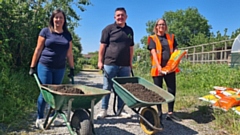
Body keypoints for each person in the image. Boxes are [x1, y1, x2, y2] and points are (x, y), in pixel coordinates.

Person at [29, 9, 74, 128]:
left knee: (56, 93)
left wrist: (72, 68)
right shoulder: (45, 31)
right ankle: (39, 118)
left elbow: (69, 53)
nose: (58, 20)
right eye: (56, 17)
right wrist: (32, 66)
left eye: (61, 18)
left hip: (60, 67)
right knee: (45, 93)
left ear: (64, 20)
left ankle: (52, 117)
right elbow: (38, 49)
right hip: (45, 66)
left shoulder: (67, 35)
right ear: (52, 19)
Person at [97, 7, 134, 119]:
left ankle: (120, 110)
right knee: (107, 87)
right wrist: (100, 61)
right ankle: (104, 110)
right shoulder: (108, 29)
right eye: (118, 15)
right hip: (110, 64)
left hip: (125, 66)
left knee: (123, 89)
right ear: (114, 17)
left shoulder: (129, 30)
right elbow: (102, 46)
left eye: (122, 15)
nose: (120, 17)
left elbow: (131, 47)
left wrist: (130, 62)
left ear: (126, 17)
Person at [147, 18, 182, 122]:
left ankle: (170, 113)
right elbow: (153, 53)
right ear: (156, 26)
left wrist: (179, 54)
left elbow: (175, 49)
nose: (161, 26)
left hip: (170, 68)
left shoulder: (171, 37)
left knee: (171, 89)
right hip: (158, 69)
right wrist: (159, 67)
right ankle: (159, 112)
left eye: (163, 24)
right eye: (159, 24)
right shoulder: (152, 38)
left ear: (165, 26)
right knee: (158, 91)